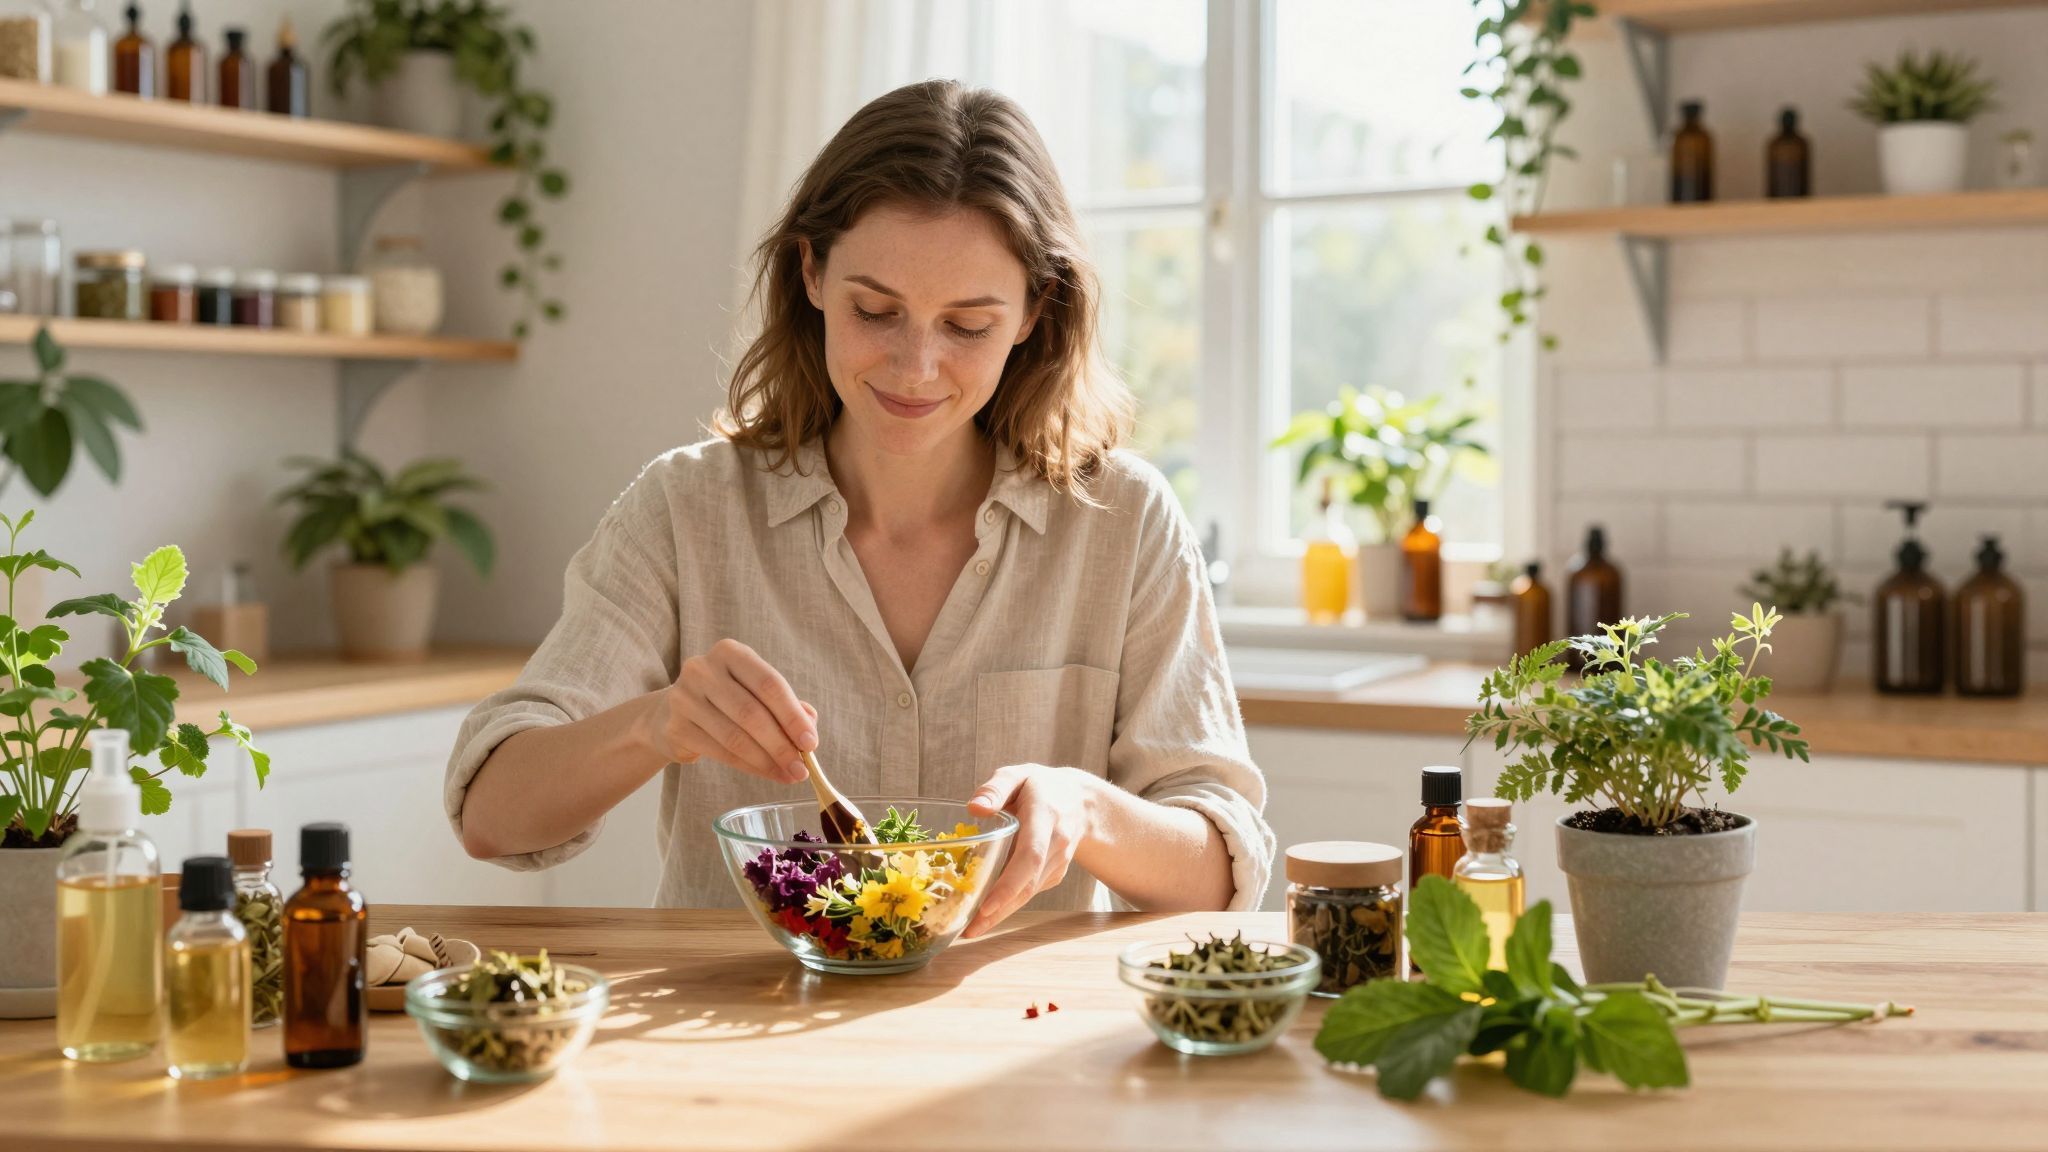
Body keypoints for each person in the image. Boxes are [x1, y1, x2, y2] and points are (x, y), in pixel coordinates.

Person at [445, 79, 1272, 934]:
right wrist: (656, 724)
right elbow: (492, 815)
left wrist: (1087, 812)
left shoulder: (1122, 520)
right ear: (811, 272)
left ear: (1035, 309)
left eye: (968, 326)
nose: (915, 368)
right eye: (876, 311)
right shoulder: (685, 509)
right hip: (726, 1037)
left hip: (1015, 1043)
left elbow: (1220, 872)